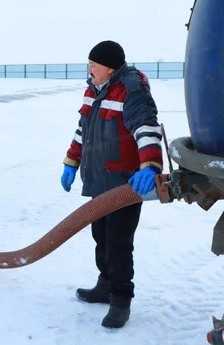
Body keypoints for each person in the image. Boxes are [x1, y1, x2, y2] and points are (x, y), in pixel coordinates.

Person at [60, 40, 163, 328]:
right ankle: (105, 285)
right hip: (98, 180)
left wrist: (151, 165)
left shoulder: (131, 90)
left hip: (124, 183)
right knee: (101, 236)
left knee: (118, 243)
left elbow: (146, 127)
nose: (89, 69)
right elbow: (84, 130)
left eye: (93, 64)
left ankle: (121, 300)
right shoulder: (92, 90)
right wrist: (71, 162)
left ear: (109, 67)